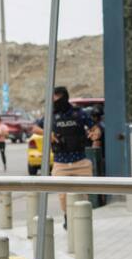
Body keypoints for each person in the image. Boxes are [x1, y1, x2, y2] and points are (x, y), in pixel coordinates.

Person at [31, 86, 101, 226]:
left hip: (80, 162)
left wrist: (96, 134)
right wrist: (48, 134)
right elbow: (34, 128)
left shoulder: (79, 114)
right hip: (60, 163)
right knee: (63, 196)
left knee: (83, 198)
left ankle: (83, 222)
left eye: (55, 98)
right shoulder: (51, 115)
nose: (53, 102)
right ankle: (67, 217)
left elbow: (95, 128)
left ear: (63, 97)